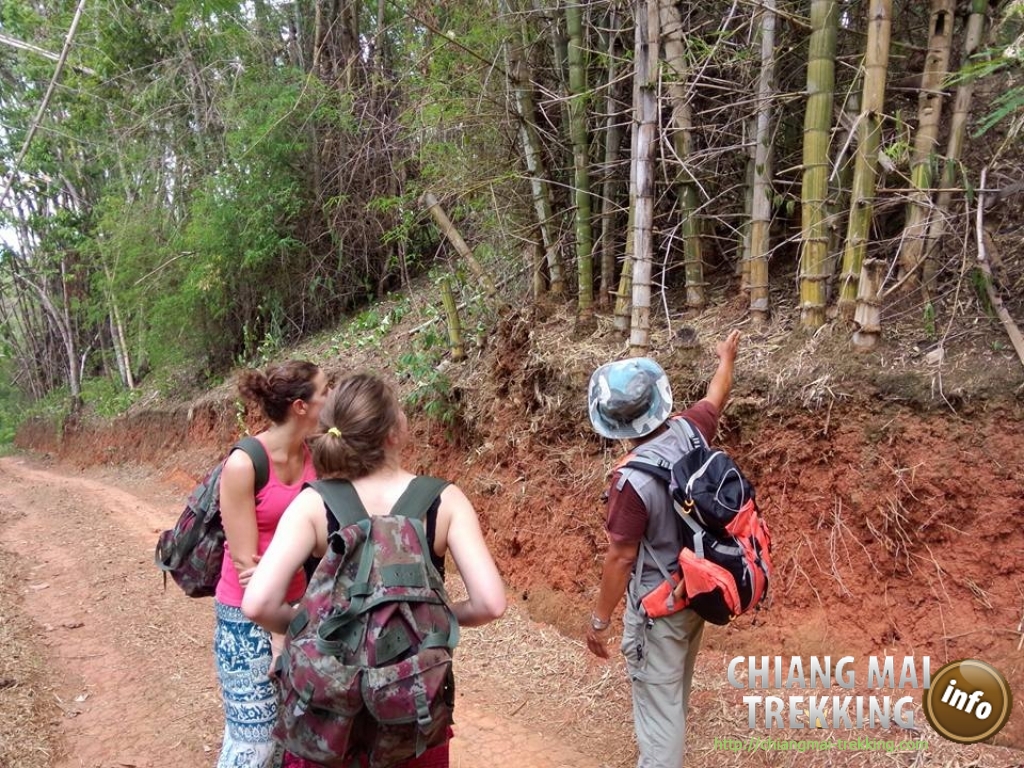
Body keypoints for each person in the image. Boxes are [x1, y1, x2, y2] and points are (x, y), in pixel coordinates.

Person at [242, 371, 507, 768]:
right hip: (410, 712)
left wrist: (306, 622)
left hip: (331, 717)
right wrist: (425, 620)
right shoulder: (444, 501)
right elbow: (490, 604)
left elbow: (258, 603)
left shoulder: (312, 504)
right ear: (393, 432)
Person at [584, 330, 741, 768]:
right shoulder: (692, 430)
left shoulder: (630, 482)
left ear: (613, 425)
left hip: (658, 609)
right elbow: (718, 393)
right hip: (698, 590)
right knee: (673, 694)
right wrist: (726, 357)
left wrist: (599, 621)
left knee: (660, 711)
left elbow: (620, 558)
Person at [214, 360, 330, 768]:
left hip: (298, 612)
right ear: (301, 406)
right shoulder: (245, 464)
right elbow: (248, 566)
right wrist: (277, 632)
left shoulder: (316, 456)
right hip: (245, 618)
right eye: (324, 391)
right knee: (254, 742)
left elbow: (321, 543)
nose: (330, 399)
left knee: (290, 738)